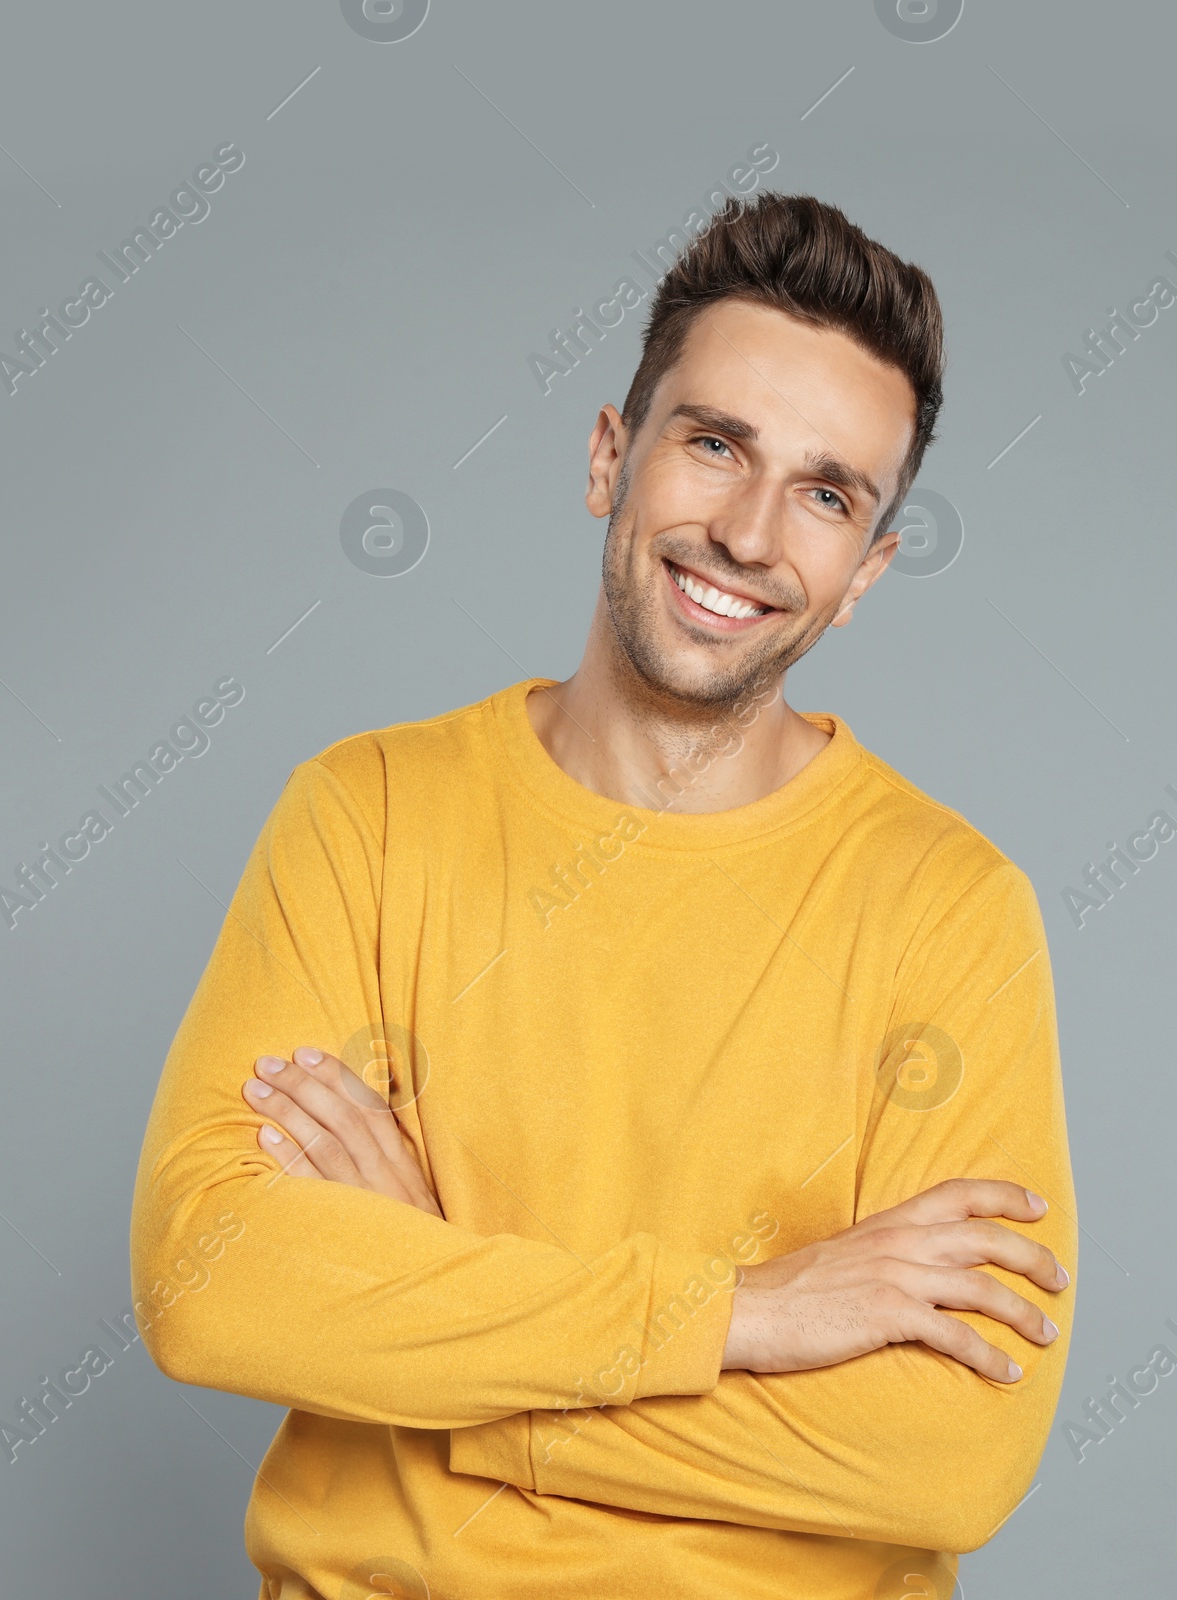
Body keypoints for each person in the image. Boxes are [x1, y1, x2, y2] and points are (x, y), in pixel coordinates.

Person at [131, 191, 1075, 1600]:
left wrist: (438, 1333)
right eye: (714, 446)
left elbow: (946, 1458)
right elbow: (208, 1281)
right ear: (608, 458)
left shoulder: (950, 908)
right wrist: (748, 1314)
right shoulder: (369, 818)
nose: (751, 534)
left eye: (826, 495)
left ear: (866, 572)